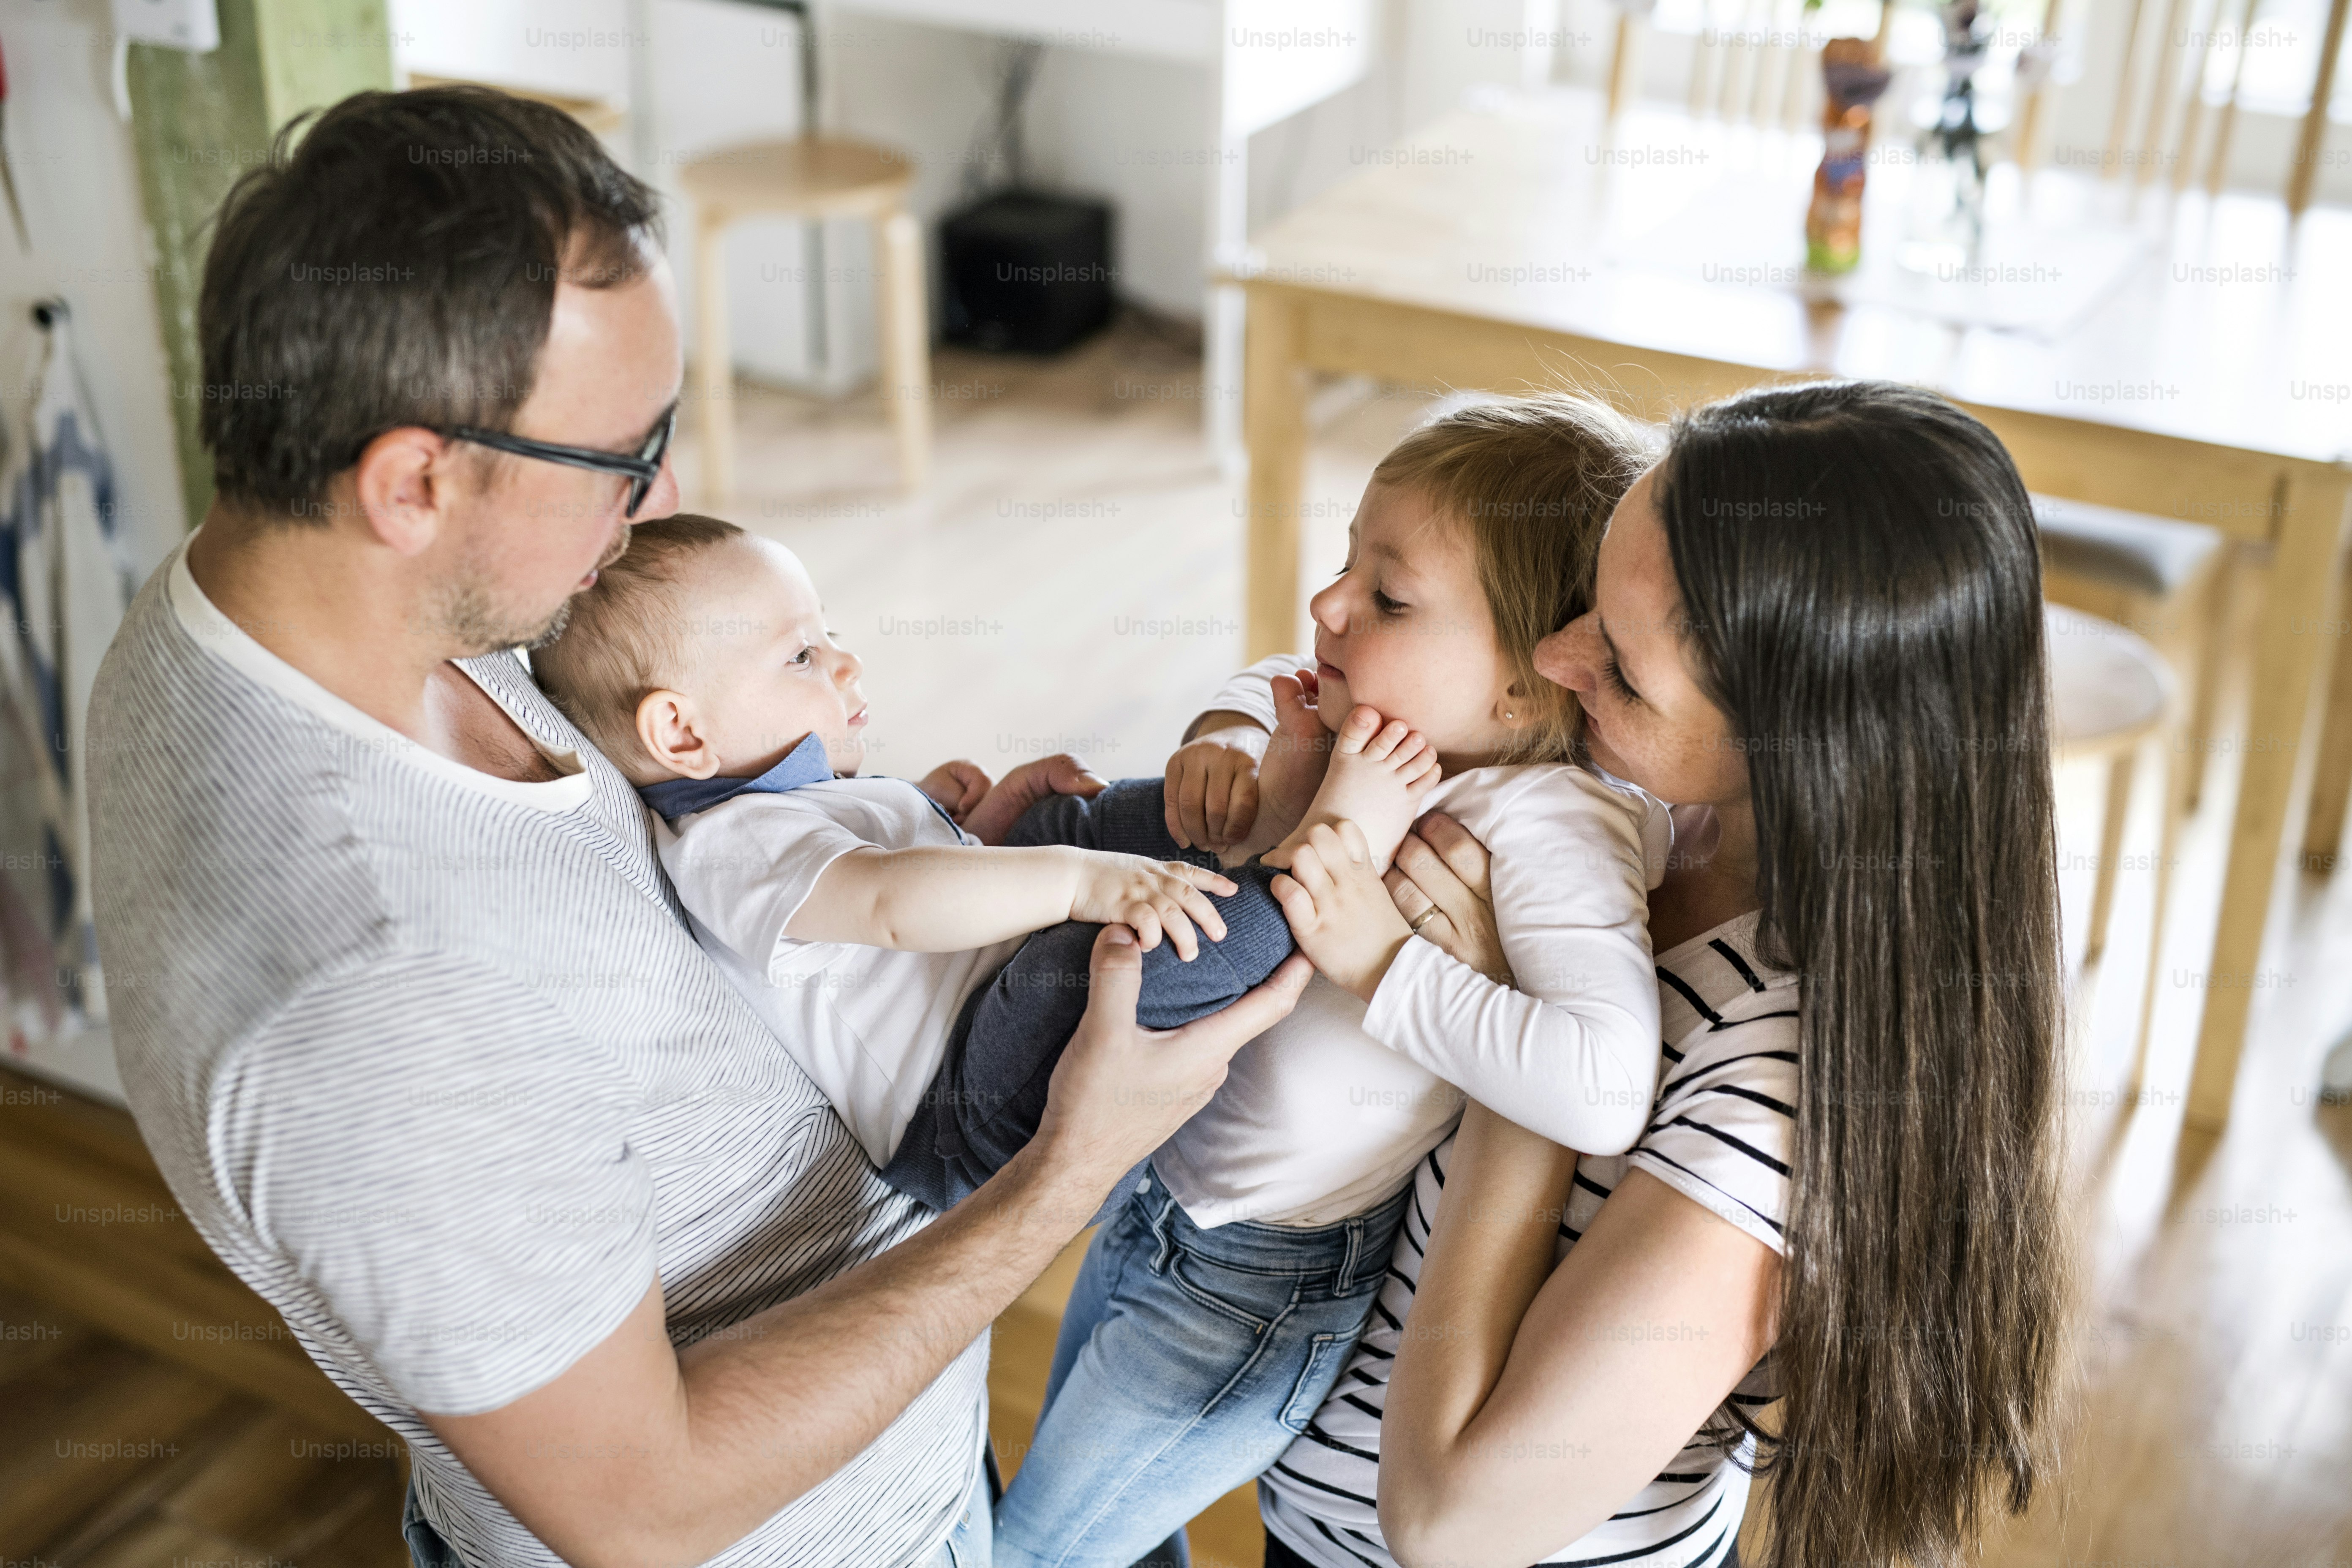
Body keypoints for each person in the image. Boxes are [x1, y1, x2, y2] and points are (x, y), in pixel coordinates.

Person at [82, 85, 1305, 1568]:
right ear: (410, 482)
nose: (661, 494)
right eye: (623, 455)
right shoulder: (369, 997)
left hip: (888, 1417)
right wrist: (1067, 1169)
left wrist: (884, 819)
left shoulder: (282, 598)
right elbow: (644, 1509)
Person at [1232, 380, 2066, 1568]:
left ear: (1802, 742)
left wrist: (1506, 1048)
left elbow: (1452, 1522)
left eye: (1619, 667)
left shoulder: (1784, 1087)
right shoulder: (1656, 811)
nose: (1554, 659)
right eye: (1585, 607)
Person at [991, 395, 1673, 1568]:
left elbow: (1606, 1088)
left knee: (1034, 1553)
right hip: (1156, 1196)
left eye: (1389, 597)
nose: (1329, 605)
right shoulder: (1376, 717)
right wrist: (1228, 730)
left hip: (1257, 1291)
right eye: (1347, 561)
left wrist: (1387, 959)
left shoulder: (1548, 825)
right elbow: (1278, 670)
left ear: (1529, 687)